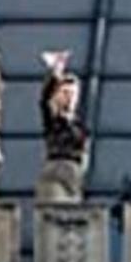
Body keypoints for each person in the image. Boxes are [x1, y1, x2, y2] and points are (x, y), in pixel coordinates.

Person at [36, 50, 89, 202]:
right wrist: (56, 71)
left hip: (74, 172)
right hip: (57, 166)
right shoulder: (55, 118)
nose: (69, 97)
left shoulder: (77, 123)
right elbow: (45, 99)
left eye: (72, 93)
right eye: (65, 92)